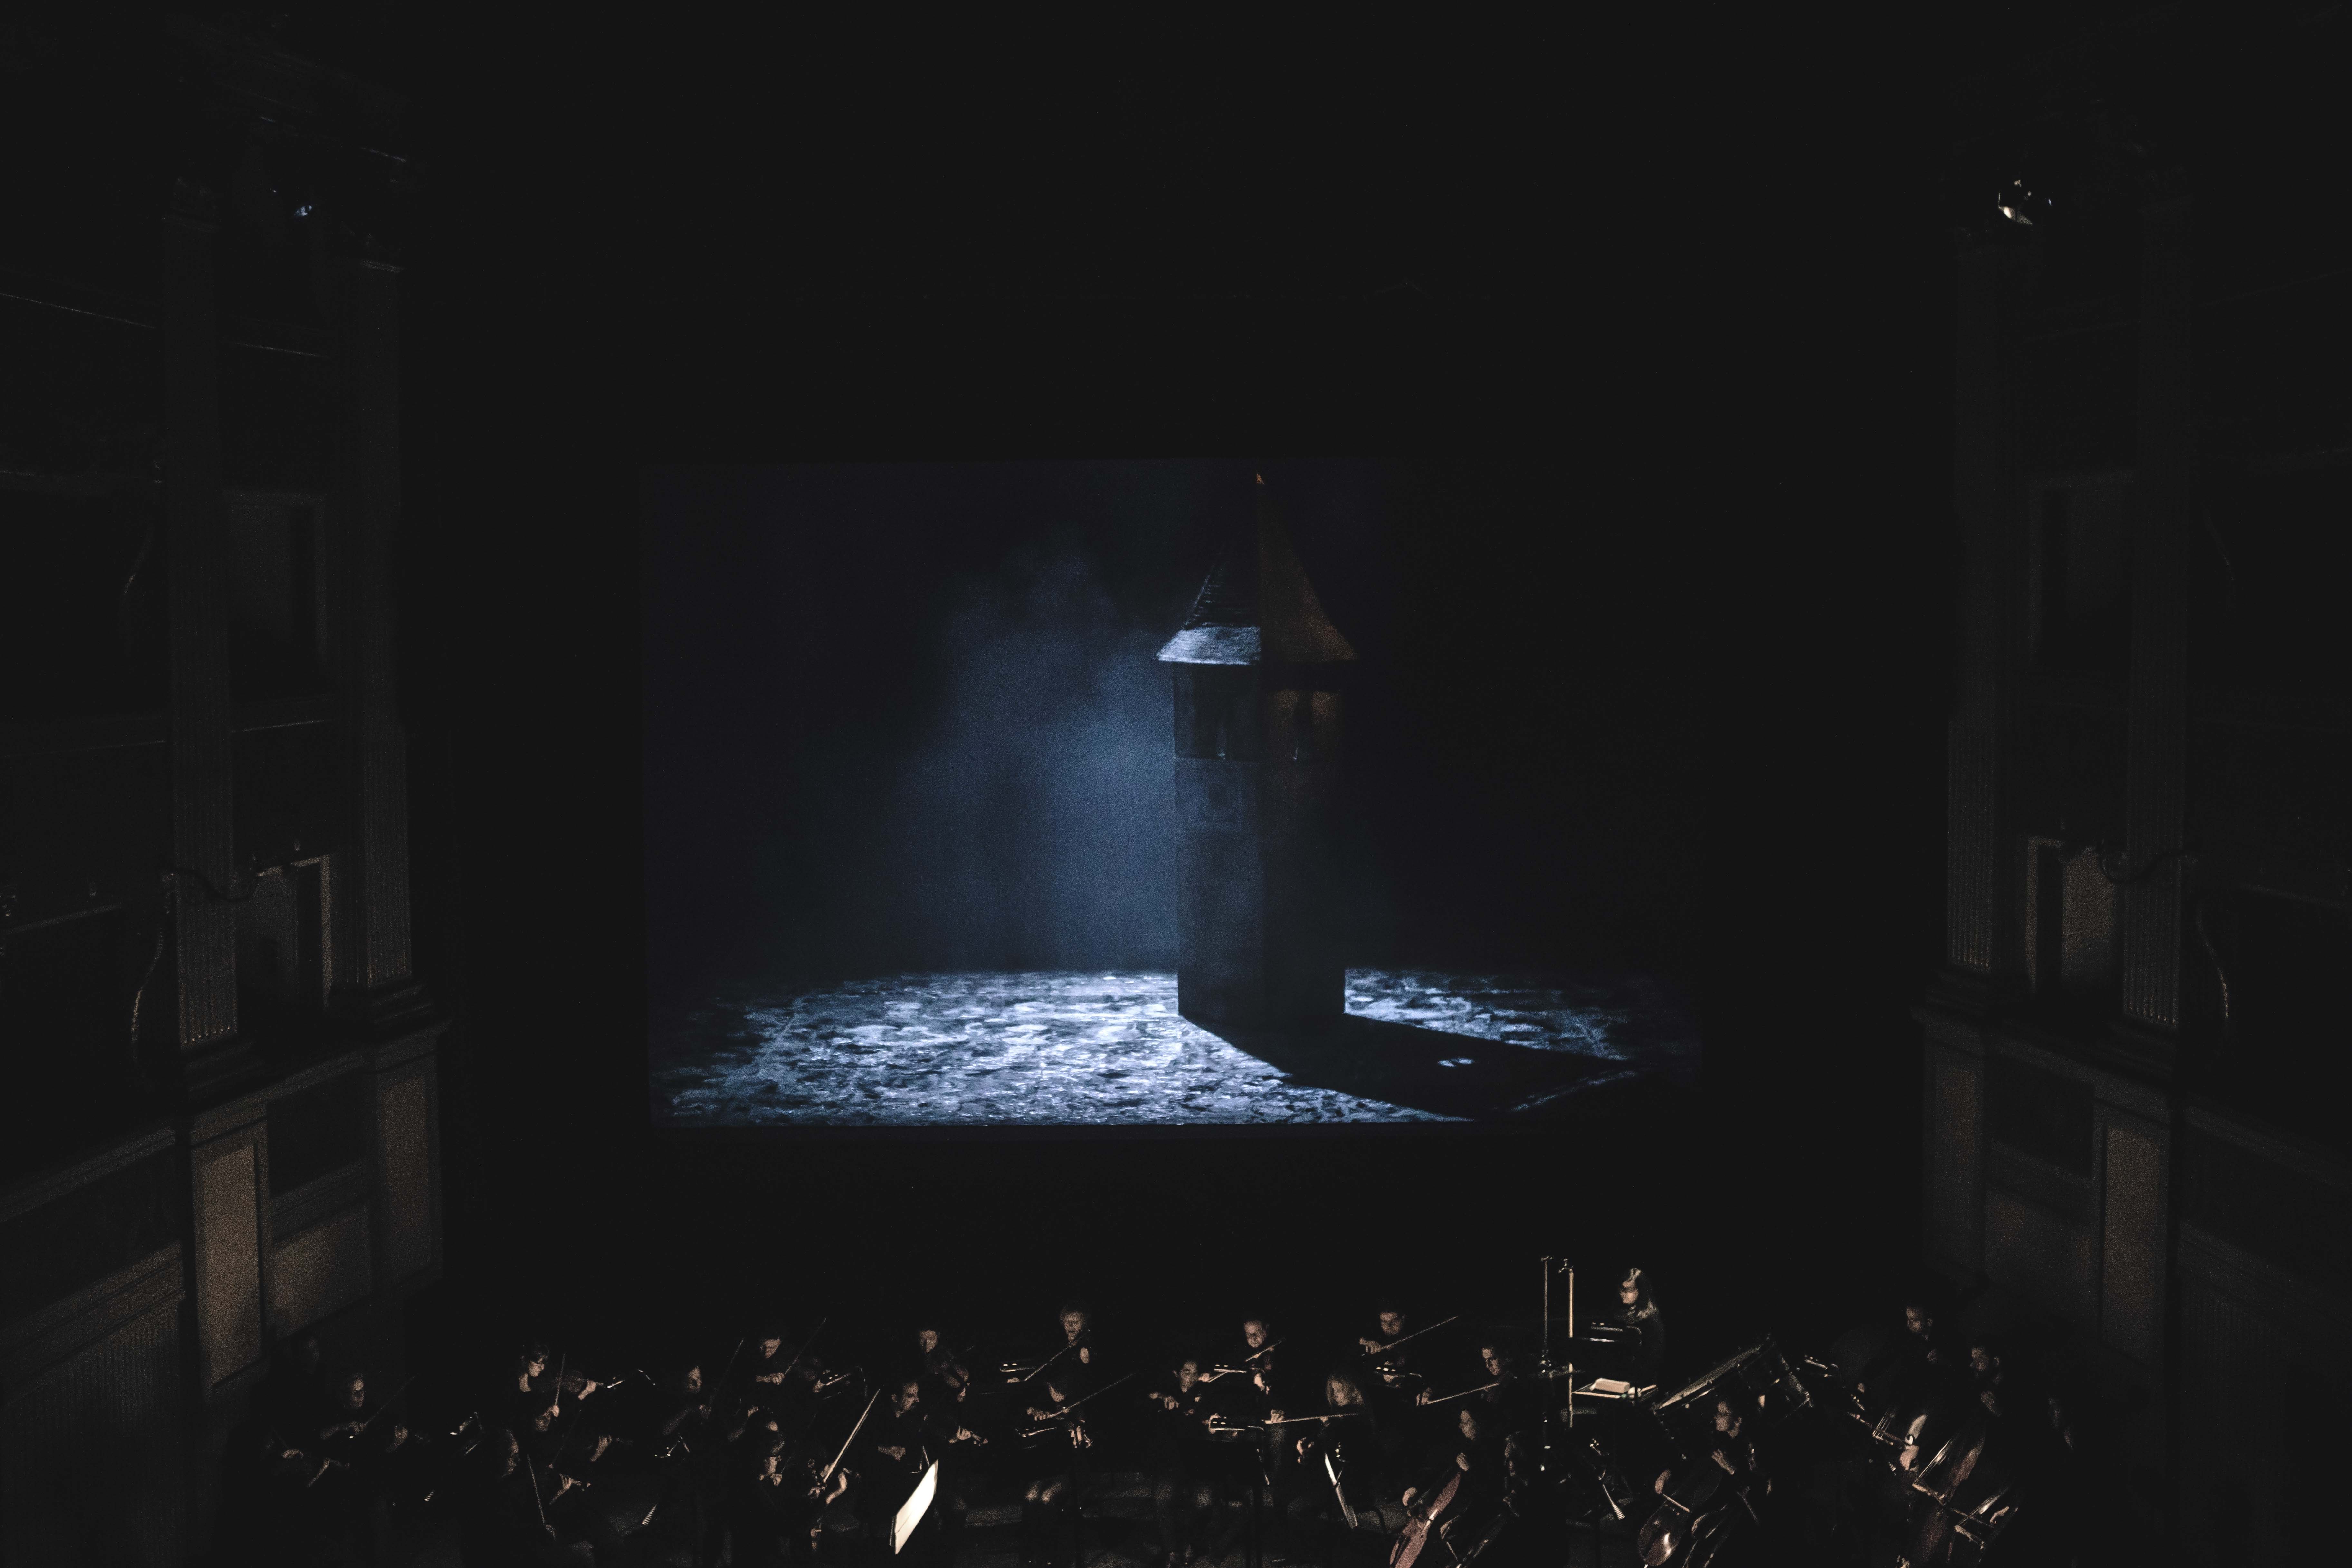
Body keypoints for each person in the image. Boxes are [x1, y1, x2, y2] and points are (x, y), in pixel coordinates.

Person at [1145, 1357, 1218, 1568]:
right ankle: (1171, 1551)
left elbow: (1213, 1419)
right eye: (1187, 1372)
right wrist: (1163, 1397)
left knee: (1204, 1501)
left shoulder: (1207, 1392)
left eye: (1196, 1373)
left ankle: (1192, 1544)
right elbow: (1147, 1397)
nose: (1192, 1377)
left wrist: (1212, 1424)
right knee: (1161, 1497)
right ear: (1176, 1374)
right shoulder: (1169, 1392)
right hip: (1173, 1461)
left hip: (1200, 1460)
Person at [1616, 1270, 1666, 1386]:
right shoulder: (1621, 1313)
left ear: (1641, 1290)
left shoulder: (1649, 1317)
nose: (1624, 1293)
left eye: (1629, 1290)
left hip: (1642, 1380)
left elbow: (1653, 1356)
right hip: (1623, 1377)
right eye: (1622, 1289)